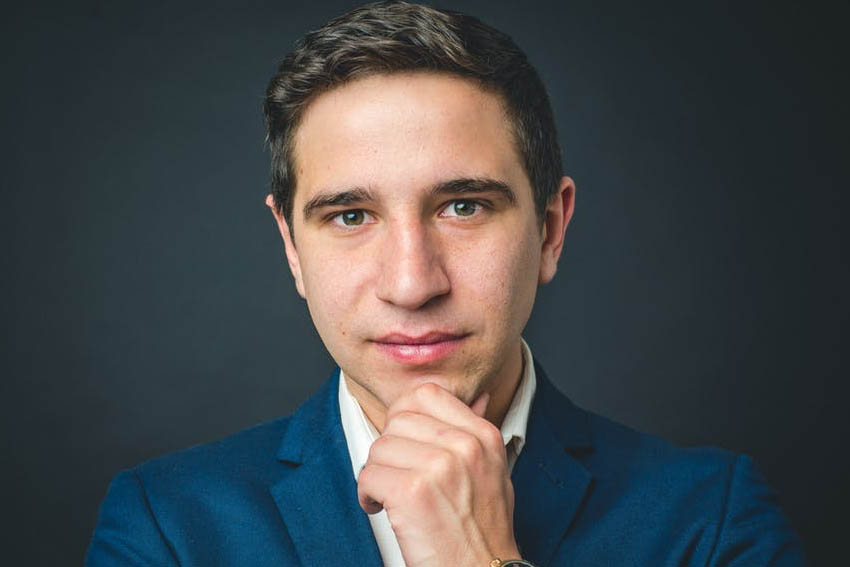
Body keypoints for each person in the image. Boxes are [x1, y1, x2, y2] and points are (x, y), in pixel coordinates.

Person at [85, 2, 806, 566]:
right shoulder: (164, 526)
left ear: (550, 229)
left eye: (464, 206)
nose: (411, 283)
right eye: (350, 215)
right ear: (291, 248)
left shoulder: (713, 521)